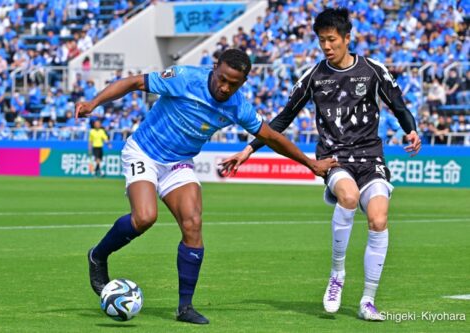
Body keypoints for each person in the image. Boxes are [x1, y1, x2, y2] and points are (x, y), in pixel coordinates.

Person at [75, 49, 338, 325]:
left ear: (244, 82)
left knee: (193, 224)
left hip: (178, 163)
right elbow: (133, 82)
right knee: (145, 217)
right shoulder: (185, 78)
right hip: (144, 152)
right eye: (222, 79)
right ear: (215, 68)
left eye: (233, 84)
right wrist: (94, 103)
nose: (224, 87)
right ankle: (98, 255)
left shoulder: (238, 106)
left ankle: (185, 307)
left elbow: (271, 137)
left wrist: (310, 163)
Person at [220, 9, 421, 321]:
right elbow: (282, 120)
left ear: (346, 38)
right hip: (334, 158)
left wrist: (411, 130)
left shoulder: (372, 71)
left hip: (371, 159)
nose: (326, 46)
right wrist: (249, 149)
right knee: (349, 197)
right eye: (321, 41)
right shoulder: (314, 76)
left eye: (332, 40)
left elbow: (399, 106)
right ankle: (337, 274)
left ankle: (368, 301)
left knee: (379, 221)